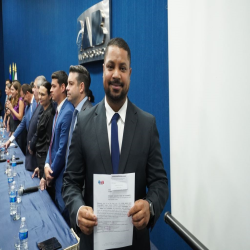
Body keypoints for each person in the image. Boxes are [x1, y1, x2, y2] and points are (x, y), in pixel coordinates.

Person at [62, 38, 169, 250]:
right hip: (93, 242)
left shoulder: (147, 125)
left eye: (122, 68)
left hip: (135, 244)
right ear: (103, 70)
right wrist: (78, 209)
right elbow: (70, 182)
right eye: (111, 66)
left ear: (130, 73)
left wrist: (150, 206)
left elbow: (160, 183)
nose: (116, 74)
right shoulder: (83, 123)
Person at [40, 71, 73, 224]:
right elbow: (51, 142)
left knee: (63, 223)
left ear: (62, 87)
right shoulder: (58, 109)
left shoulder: (68, 112)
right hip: (53, 171)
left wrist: (50, 174)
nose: (50, 89)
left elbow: (62, 149)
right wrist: (46, 164)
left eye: (53, 86)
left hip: (61, 179)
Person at [65, 65, 93, 164]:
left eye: (70, 84)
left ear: (81, 87)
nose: (67, 88)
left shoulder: (89, 115)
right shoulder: (75, 112)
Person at [31, 81, 55, 179]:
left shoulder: (50, 114)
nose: (39, 97)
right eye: (39, 94)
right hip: (40, 160)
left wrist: (44, 168)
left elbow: (49, 144)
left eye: (43, 94)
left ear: (50, 96)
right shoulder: (43, 111)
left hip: (45, 160)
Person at [22, 76, 46, 171]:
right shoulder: (38, 105)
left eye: (35, 87)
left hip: (37, 155)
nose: (32, 89)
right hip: (33, 155)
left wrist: (32, 144)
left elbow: (39, 130)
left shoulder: (42, 107)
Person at [5, 81, 25, 152]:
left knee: (21, 150)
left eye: (13, 89)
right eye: (10, 89)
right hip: (15, 127)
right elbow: (14, 117)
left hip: (21, 129)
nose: (11, 91)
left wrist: (11, 109)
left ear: (17, 91)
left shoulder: (21, 101)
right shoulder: (14, 100)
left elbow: (20, 117)